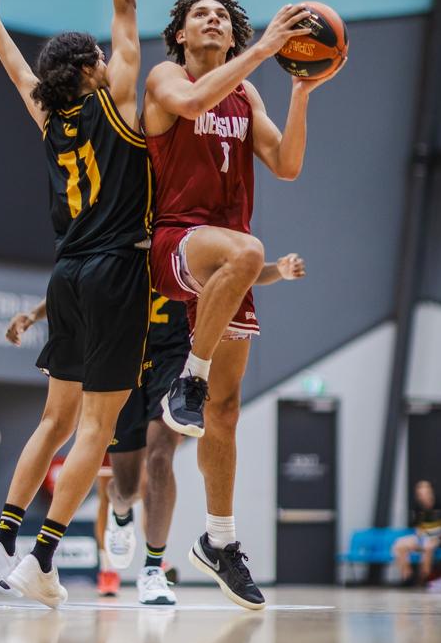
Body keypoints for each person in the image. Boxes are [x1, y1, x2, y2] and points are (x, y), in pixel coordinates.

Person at [0, 0, 151, 608]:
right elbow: (127, 2)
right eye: (102, 51)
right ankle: (42, 558)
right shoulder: (117, 99)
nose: (113, 50)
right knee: (97, 427)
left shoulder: (52, 120)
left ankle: (0, 546)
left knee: (54, 420)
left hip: (64, 277)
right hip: (114, 271)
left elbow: (13, 69)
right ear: (93, 69)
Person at [143, 0, 339, 609]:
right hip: (178, 240)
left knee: (225, 416)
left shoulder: (247, 92)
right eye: (200, 14)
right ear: (180, 34)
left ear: (231, 37)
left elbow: (286, 164)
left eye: (222, 17)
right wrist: (263, 48)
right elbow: (195, 100)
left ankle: (219, 542)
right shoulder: (167, 77)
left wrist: (302, 87)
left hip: (227, 259)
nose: (213, 19)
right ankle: (189, 380)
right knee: (251, 252)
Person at [104, 254, 306, 606]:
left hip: (174, 355)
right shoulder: (122, 233)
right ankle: (119, 513)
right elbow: (79, 279)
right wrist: (38, 314)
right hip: (125, 355)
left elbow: (237, 267)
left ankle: (153, 569)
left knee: (160, 459)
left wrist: (278, 271)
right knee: (125, 487)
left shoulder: (182, 235)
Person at [393, 480, 441, 585]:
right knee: (399, 545)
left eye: (426, 493)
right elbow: (417, 528)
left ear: (431, 492)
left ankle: (423, 579)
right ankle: (407, 577)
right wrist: (417, 538)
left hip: (437, 539)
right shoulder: (417, 508)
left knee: (428, 547)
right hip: (422, 537)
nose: (423, 496)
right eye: (420, 494)